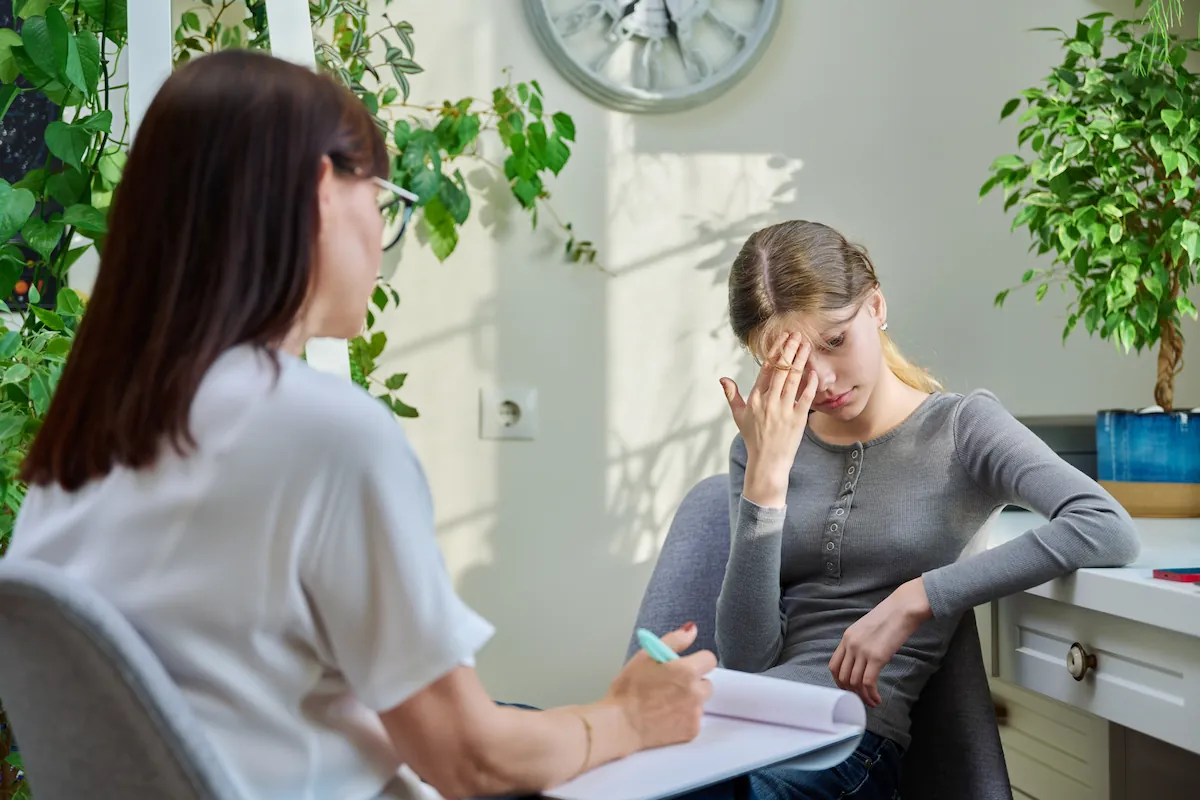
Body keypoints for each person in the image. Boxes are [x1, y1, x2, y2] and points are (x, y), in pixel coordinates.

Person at [7, 50, 717, 800]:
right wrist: (629, 718)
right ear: (321, 189)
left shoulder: (81, 449)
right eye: (383, 198)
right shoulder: (318, 429)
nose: (383, 233)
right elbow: (473, 760)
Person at [692, 220, 1142, 799]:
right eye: (791, 363)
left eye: (834, 341)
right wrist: (767, 476)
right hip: (742, 729)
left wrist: (919, 597)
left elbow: (1104, 526)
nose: (822, 380)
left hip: (843, 744)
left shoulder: (961, 428)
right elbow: (746, 664)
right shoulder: (760, 448)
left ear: (876, 307)